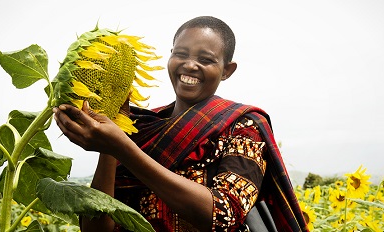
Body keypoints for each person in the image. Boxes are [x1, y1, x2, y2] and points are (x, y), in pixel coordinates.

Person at [53, 16, 308, 231]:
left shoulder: (242, 126)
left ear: (227, 70)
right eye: (181, 54)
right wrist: (113, 138)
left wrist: (121, 148)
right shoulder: (137, 128)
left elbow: (223, 214)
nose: (189, 65)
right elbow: (98, 229)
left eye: (206, 59)